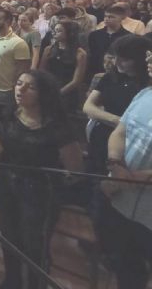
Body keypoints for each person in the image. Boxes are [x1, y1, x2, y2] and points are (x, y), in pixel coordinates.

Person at [0, 70, 84, 289]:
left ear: (44, 94)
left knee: (35, 245)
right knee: (9, 236)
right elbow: (5, 150)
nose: (20, 89)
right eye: (18, 84)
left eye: (30, 87)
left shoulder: (57, 127)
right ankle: (12, 280)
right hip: (6, 184)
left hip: (39, 192)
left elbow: (76, 168)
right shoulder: (9, 114)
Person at [90, 50, 152, 289]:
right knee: (125, 267)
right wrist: (116, 164)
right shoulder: (145, 94)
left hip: (147, 211)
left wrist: (135, 177)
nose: (148, 59)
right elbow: (120, 131)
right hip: (118, 198)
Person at [83, 35, 151, 174]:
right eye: (115, 57)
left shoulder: (146, 87)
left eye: (124, 59)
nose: (116, 63)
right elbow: (88, 106)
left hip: (128, 143)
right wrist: (119, 121)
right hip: (102, 136)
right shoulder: (110, 77)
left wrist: (122, 124)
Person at [40, 21, 87, 113]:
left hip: (68, 91)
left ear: (69, 33)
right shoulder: (49, 49)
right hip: (49, 88)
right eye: (54, 30)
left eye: (59, 31)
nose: (54, 33)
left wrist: (58, 93)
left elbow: (76, 80)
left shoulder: (80, 53)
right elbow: (41, 71)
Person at [87, 5, 131, 77]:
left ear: (121, 18)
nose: (106, 19)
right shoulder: (94, 35)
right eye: (105, 16)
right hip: (95, 71)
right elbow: (92, 55)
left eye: (111, 17)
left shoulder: (128, 37)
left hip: (119, 73)